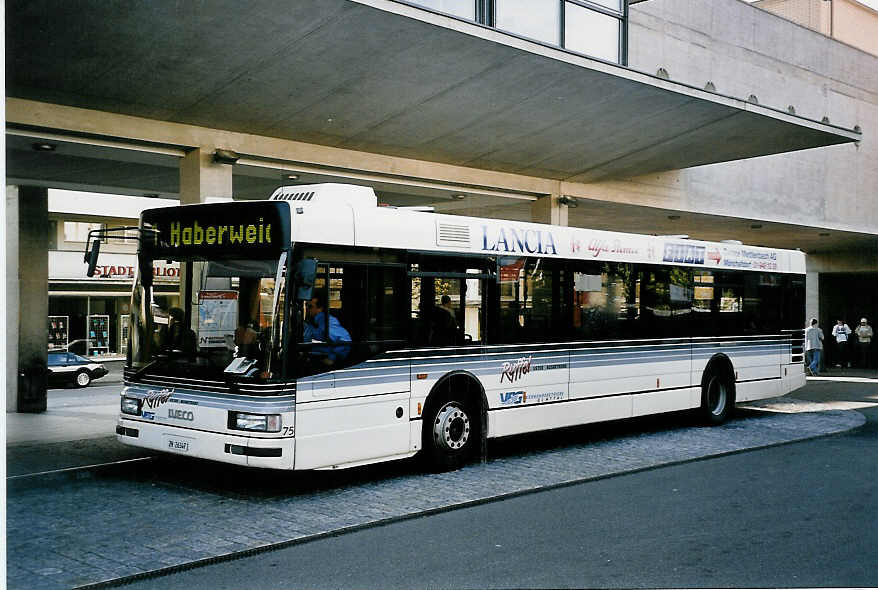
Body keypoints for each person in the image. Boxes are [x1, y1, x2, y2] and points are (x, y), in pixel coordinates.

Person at [304, 297, 351, 365]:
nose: (307, 309)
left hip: (335, 358)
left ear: (320, 308)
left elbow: (345, 340)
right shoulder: (317, 321)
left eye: (310, 307)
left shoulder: (326, 321)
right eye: (306, 306)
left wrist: (332, 358)